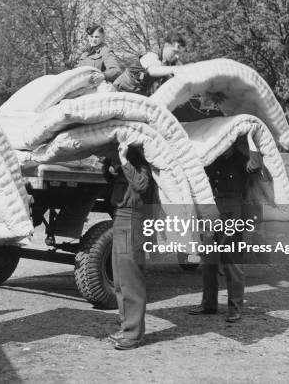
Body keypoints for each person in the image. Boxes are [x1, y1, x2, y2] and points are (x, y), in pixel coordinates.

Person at [187, 138, 254, 323]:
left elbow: (256, 171)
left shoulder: (243, 160)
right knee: (208, 260)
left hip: (232, 210)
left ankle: (235, 307)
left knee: (231, 261)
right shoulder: (212, 160)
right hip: (212, 208)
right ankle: (208, 304)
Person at [103, 144, 155, 350]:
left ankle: (133, 334)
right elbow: (112, 182)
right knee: (119, 279)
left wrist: (124, 161)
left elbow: (141, 185)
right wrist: (109, 166)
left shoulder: (142, 163)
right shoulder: (123, 165)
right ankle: (126, 327)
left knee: (130, 278)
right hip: (120, 218)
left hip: (133, 221)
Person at [112, 31, 187, 96]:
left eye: (180, 53)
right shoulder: (152, 55)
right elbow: (153, 70)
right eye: (175, 52)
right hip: (120, 90)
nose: (177, 56)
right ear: (166, 45)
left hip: (139, 94)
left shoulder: (172, 62)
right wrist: (175, 69)